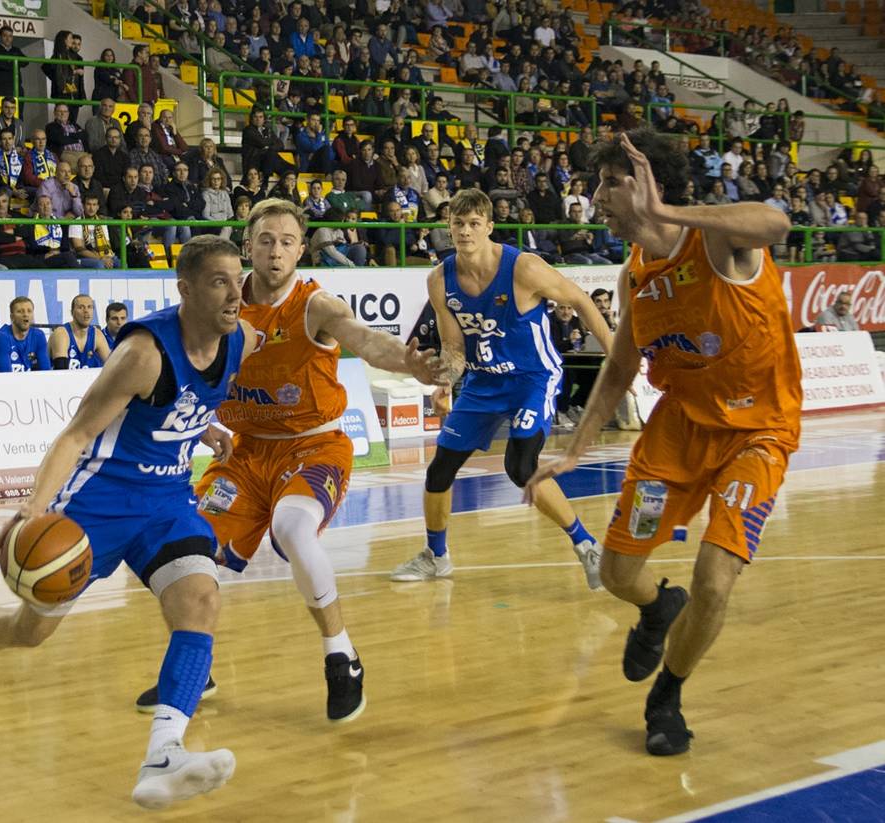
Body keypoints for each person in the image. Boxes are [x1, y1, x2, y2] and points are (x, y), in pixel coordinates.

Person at [0, 236, 256, 810]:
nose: (234, 293)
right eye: (219, 281)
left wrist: (202, 428)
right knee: (33, 631)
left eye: (237, 279)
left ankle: (163, 754)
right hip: (98, 501)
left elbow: (181, 400)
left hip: (167, 501)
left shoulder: (242, 340)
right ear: (185, 290)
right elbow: (78, 432)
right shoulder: (144, 352)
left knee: (200, 600)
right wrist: (33, 509)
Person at [528, 129, 801, 757]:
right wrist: (575, 449)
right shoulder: (635, 277)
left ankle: (668, 695)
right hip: (677, 435)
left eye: (609, 183)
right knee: (617, 572)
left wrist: (669, 213)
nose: (595, 196)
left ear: (652, 187)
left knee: (715, 578)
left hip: (756, 436)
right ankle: (657, 608)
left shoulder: (720, 241)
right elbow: (620, 368)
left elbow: (777, 221)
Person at [131, 199, 446, 722]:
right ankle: (195, 665)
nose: (275, 251)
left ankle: (341, 655)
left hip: (313, 444)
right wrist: (204, 422)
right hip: (245, 450)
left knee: (293, 528)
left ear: (302, 249)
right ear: (247, 245)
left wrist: (408, 361)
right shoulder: (220, 302)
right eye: (266, 240)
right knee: (186, 558)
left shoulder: (313, 304)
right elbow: (185, 368)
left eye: (286, 242)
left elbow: (365, 340)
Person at [390, 188, 613, 589]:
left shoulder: (523, 267)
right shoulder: (440, 280)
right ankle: (436, 556)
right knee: (439, 469)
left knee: (520, 466)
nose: (465, 231)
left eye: (474, 223)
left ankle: (587, 546)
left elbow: (579, 298)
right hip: (483, 380)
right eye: (458, 223)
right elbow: (454, 346)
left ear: (490, 227)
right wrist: (445, 381)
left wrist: (616, 355)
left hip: (532, 377)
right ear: (448, 227)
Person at [0, 297, 50, 372]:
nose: (25, 314)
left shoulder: (38, 336)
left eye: (29, 311)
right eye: (20, 311)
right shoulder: (1, 337)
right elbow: (4, 376)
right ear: (12, 317)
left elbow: (46, 372)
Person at [48, 293, 112, 369]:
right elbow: (61, 370)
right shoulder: (61, 333)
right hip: (59, 380)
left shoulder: (97, 334)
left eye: (89, 307)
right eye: (81, 307)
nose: (86, 311)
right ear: (72, 312)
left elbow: (113, 367)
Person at [70, 194, 121, 269]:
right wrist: (100, 259)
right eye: (88, 204)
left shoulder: (101, 223)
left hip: (103, 255)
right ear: (83, 205)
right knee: (99, 265)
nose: (91, 208)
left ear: (98, 207)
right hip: (83, 257)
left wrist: (106, 258)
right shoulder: (76, 222)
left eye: (94, 205)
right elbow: (79, 249)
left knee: (122, 264)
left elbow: (107, 244)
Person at [0, 25, 26, 99]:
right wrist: (15, 62)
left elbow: (25, 62)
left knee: (19, 110)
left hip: (17, 88)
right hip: (1, 88)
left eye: (10, 36)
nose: (8, 39)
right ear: (0, 37)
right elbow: (0, 64)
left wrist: (8, 61)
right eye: (5, 36)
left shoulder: (16, 49)